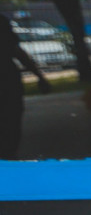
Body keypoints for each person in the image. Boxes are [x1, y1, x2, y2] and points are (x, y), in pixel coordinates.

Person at [1, 12, 52, 160]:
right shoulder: (2, 23)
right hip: (8, 81)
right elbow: (18, 52)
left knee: (10, 124)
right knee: (11, 125)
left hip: (7, 81)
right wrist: (40, 77)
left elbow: (17, 51)